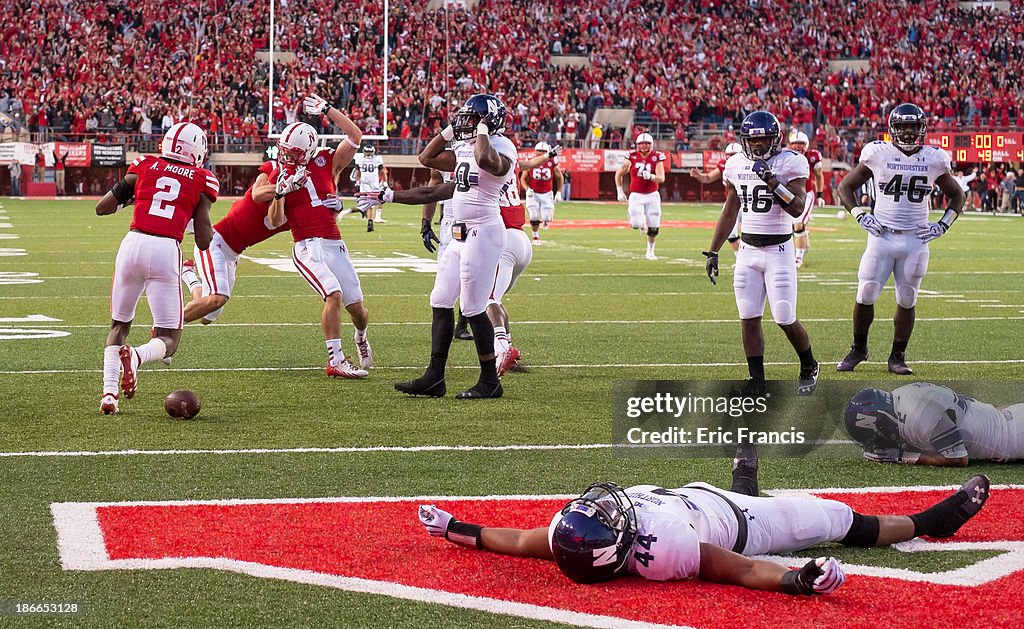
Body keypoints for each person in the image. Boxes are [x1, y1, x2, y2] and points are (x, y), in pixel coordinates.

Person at [418, 446, 989, 591]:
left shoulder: (577, 536)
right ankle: (929, 522)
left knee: (740, 490)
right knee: (839, 518)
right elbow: (740, 571)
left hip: (697, 496)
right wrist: (796, 581)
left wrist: (454, 529)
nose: (607, 505)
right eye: (609, 519)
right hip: (743, 523)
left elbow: (517, 541)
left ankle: (745, 479)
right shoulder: (662, 549)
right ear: (618, 551)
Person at [363, 142, 554, 380]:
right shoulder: (501, 157)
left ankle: (502, 350)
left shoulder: (483, 165)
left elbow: (434, 179)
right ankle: (500, 348)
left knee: (485, 300)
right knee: (485, 298)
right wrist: (390, 195)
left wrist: (456, 133)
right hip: (516, 238)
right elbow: (437, 185)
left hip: (499, 238)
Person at [394, 93, 517, 399]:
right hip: (459, 234)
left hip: (484, 232)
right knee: (440, 299)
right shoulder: (466, 146)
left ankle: (490, 381)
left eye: (472, 119)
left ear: (489, 122)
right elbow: (427, 158)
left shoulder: (502, 146)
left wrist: (484, 132)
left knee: (474, 308)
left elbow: (488, 161)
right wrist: (449, 131)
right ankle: (435, 377)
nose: (466, 123)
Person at [94, 122, 218, 414]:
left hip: (132, 244)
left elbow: (103, 207)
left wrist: (136, 197)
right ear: (196, 150)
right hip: (164, 249)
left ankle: (109, 395)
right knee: (169, 339)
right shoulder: (203, 179)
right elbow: (202, 240)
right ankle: (137, 356)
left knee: (119, 325)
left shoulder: (144, 165)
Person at [836, 104, 966, 375]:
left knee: (907, 298)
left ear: (922, 129)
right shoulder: (877, 153)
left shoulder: (934, 158)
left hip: (916, 240)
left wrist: (943, 225)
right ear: (893, 129)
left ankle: (897, 356)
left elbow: (957, 195)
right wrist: (859, 214)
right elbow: (845, 186)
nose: (908, 132)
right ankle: (859, 348)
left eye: (913, 126)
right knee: (866, 293)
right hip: (881, 236)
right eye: (903, 126)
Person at [702, 111, 819, 396]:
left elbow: (796, 208)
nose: (757, 146)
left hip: (779, 250)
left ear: (775, 139)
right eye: (752, 141)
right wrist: (714, 250)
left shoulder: (791, 162)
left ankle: (809, 364)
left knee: (784, 316)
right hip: (747, 252)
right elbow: (730, 210)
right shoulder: (736, 164)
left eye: (764, 139)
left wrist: (772, 181)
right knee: (749, 316)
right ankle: (757, 380)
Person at [266, 96, 372, 379]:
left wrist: (328, 110)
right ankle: (335, 360)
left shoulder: (326, 161)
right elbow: (275, 220)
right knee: (332, 293)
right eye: (285, 151)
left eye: (293, 152)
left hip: (334, 243)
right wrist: (280, 193)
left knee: (359, 311)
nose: (287, 157)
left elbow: (355, 136)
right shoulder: (281, 173)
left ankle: (360, 337)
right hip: (306, 246)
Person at [178, 166, 296, 325]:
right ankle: (165, 326)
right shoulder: (273, 168)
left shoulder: (299, 208)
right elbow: (257, 194)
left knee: (207, 316)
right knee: (217, 298)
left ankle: (188, 275)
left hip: (234, 253)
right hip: (216, 242)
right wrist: (283, 187)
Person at [846, 383, 1024, 466]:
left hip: (1014, 439)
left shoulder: (919, 417)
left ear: (882, 422)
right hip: (1010, 416)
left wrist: (902, 456)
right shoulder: (902, 395)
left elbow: (958, 459)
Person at [615, 132, 666, 260]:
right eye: (641, 144)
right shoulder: (631, 156)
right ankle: (634, 217)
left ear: (651, 145)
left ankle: (650, 251)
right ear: (637, 145)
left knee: (654, 227)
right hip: (636, 195)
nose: (644, 147)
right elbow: (619, 173)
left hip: (652, 195)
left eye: (647, 144)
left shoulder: (657, 157)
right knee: (636, 224)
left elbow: (661, 178)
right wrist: (619, 191)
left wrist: (651, 176)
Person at [692, 142, 742, 252]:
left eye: (733, 155)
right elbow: (708, 178)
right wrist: (699, 176)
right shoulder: (724, 165)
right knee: (731, 234)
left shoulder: (747, 165)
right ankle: (740, 260)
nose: (730, 158)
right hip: (731, 202)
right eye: (728, 155)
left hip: (747, 202)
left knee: (751, 234)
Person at [787, 131, 825, 268]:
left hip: (805, 194)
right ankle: (804, 237)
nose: (797, 147)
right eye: (795, 144)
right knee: (790, 226)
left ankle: (798, 258)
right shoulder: (784, 157)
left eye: (801, 144)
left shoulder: (812, 157)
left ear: (807, 145)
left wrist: (820, 195)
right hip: (788, 195)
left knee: (798, 224)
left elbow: (819, 175)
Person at [521, 142, 563, 242]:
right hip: (533, 193)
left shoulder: (552, 162)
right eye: (539, 151)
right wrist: (527, 189)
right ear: (535, 151)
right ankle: (535, 237)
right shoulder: (530, 161)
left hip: (547, 193)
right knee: (534, 216)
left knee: (547, 217)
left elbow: (560, 177)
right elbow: (523, 178)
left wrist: (559, 192)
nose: (541, 153)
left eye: (543, 151)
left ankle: (545, 221)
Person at [354, 143, 387, 231]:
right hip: (371, 183)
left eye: (369, 152)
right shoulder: (376, 159)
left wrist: (357, 181)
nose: (368, 154)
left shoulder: (360, 159)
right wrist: (385, 182)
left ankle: (370, 218)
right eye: (367, 152)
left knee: (369, 202)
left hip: (367, 183)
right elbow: (383, 172)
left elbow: (357, 172)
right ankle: (370, 219)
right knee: (371, 202)